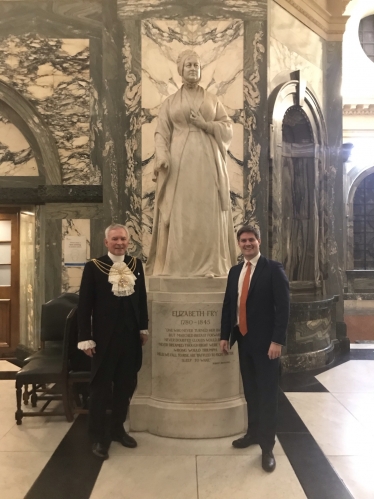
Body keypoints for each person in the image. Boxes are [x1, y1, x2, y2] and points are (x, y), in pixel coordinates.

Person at [146, 49, 237, 277]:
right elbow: (161, 133)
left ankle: (212, 265)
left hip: (208, 161)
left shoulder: (213, 100)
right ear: (181, 70)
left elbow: (228, 127)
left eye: (196, 65)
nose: (193, 69)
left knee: (207, 210)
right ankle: (177, 266)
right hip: (179, 163)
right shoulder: (170, 102)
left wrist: (206, 125)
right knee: (180, 211)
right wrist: (163, 156)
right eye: (189, 65)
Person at [220, 225, 290, 472]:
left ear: (259, 241)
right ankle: (252, 433)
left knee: (268, 395)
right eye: (243, 240)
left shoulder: (273, 269)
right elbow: (229, 305)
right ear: (239, 244)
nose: (247, 244)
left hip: (267, 345)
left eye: (251, 240)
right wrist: (224, 335)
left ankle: (268, 448)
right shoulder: (235, 271)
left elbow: (283, 308)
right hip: (244, 341)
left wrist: (277, 341)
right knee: (250, 391)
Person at [77, 223, 148, 460]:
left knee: (125, 386)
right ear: (106, 242)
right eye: (115, 239)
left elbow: (141, 300)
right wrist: (85, 338)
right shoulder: (94, 267)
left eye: (123, 239)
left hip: (130, 339)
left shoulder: (136, 265)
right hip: (102, 340)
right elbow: (84, 306)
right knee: (100, 390)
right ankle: (98, 436)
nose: (119, 243)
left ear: (129, 242)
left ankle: (118, 429)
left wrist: (143, 328)